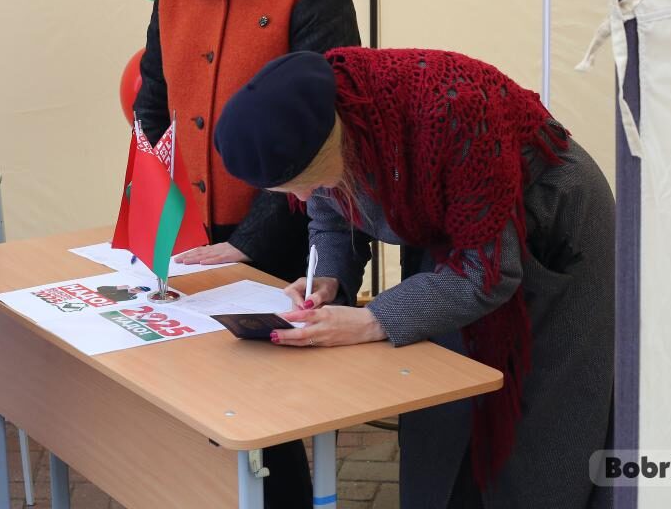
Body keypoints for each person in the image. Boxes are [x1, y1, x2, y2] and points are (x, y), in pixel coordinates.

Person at [213, 49, 616, 509]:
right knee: (442, 417)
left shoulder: (455, 112)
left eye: (304, 183)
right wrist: (325, 277)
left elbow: (485, 272)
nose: (304, 197)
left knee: (541, 426)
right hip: (458, 243)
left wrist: (372, 319)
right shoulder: (321, 127)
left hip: (552, 228)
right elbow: (327, 216)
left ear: (332, 146)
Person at [133, 0, 361, 509]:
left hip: (287, 232)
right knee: (201, 401)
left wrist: (249, 244)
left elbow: (326, 135)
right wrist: (160, 202)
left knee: (270, 415)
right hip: (196, 230)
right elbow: (153, 97)